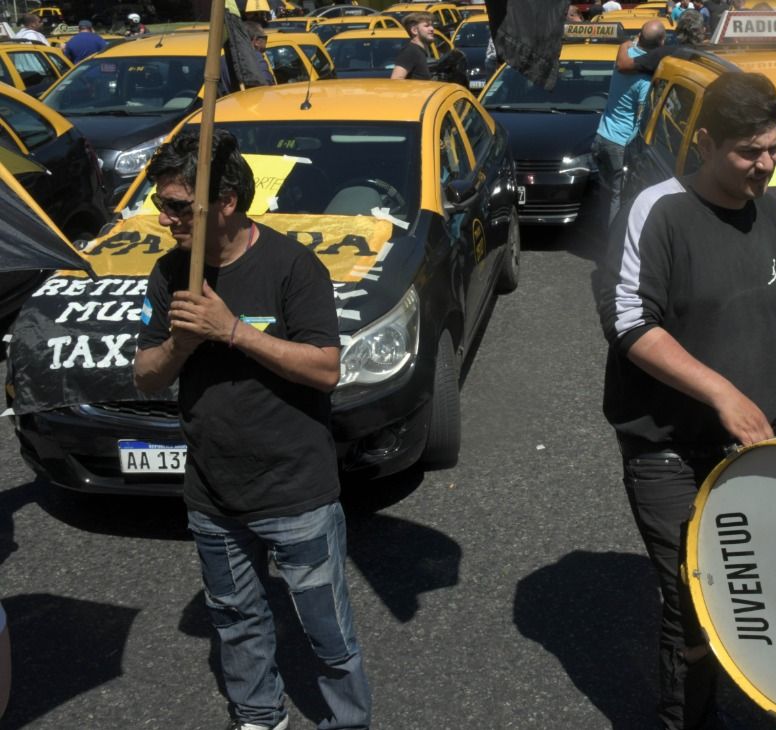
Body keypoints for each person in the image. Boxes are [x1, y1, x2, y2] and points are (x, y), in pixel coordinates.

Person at [598, 72, 776, 730]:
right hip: (668, 450)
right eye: (749, 151)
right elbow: (632, 325)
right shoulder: (659, 210)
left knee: (768, 590)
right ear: (704, 142)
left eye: (775, 148)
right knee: (696, 601)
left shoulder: (773, 216)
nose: (767, 164)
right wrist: (721, 391)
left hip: (757, 449)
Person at [133, 129, 372, 730]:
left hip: (295, 492)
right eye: (161, 205)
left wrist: (232, 330)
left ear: (227, 202)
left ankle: (348, 722)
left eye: (179, 207)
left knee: (327, 631)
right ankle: (258, 716)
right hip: (212, 496)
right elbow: (145, 377)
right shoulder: (169, 273)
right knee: (236, 621)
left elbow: (325, 369)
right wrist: (179, 344)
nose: (166, 219)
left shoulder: (293, 266)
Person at [594, 21, 665, 226]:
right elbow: (641, 119)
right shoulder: (645, 81)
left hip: (602, 137)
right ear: (661, 41)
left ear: (640, 38)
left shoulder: (622, 62)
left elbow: (626, 48)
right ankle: (614, 249)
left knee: (607, 194)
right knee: (620, 198)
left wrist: (628, 42)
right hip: (621, 144)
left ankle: (602, 234)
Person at [615, 9, 708, 75]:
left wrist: (624, 45)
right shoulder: (712, 53)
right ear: (702, 30)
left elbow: (623, 65)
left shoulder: (665, 53)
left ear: (677, 29)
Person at [391, 12, 436, 80]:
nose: (432, 29)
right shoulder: (410, 51)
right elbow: (396, 79)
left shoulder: (419, 51)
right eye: (427, 26)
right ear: (414, 30)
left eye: (432, 25)